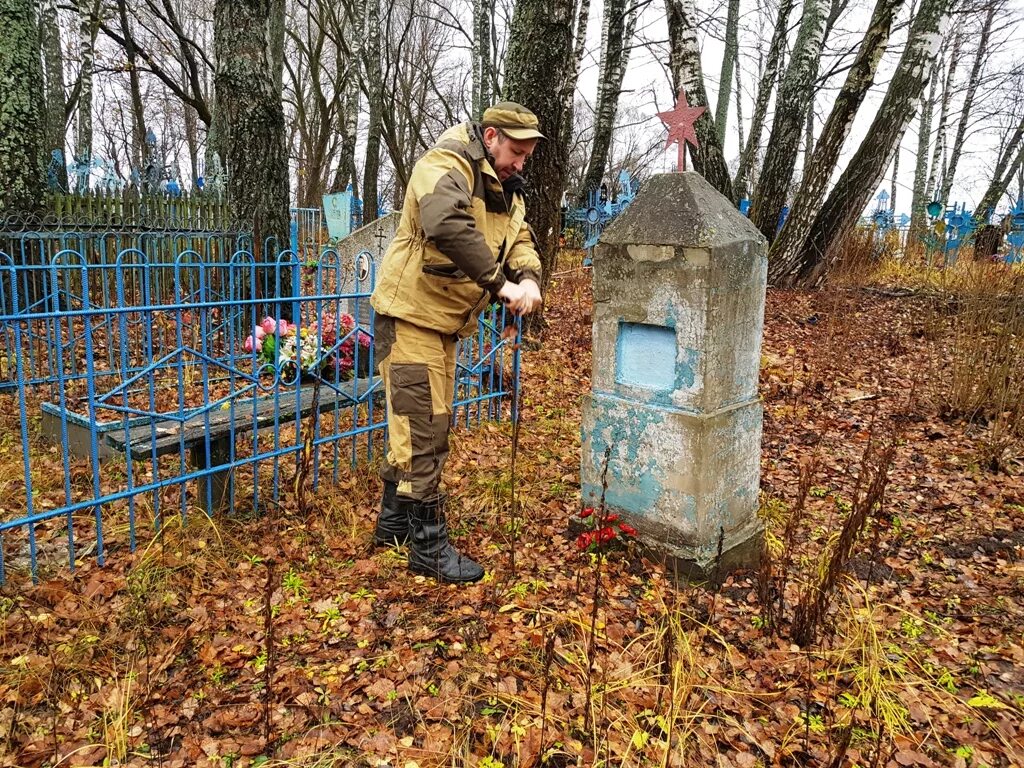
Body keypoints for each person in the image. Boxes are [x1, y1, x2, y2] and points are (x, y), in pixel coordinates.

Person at [369, 102, 545, 583]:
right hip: (409, 319)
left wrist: (527, 277)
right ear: (490, 137)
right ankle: (426, 548)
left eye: (527, 156)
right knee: (424, 431)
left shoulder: (507, 190)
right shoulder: (445, 166)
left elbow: (521, 239)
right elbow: (445, 221)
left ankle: (393, 524)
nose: (520, 163)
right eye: (515, 152)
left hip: (441, 322)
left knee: (418, 425)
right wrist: (498, 284)